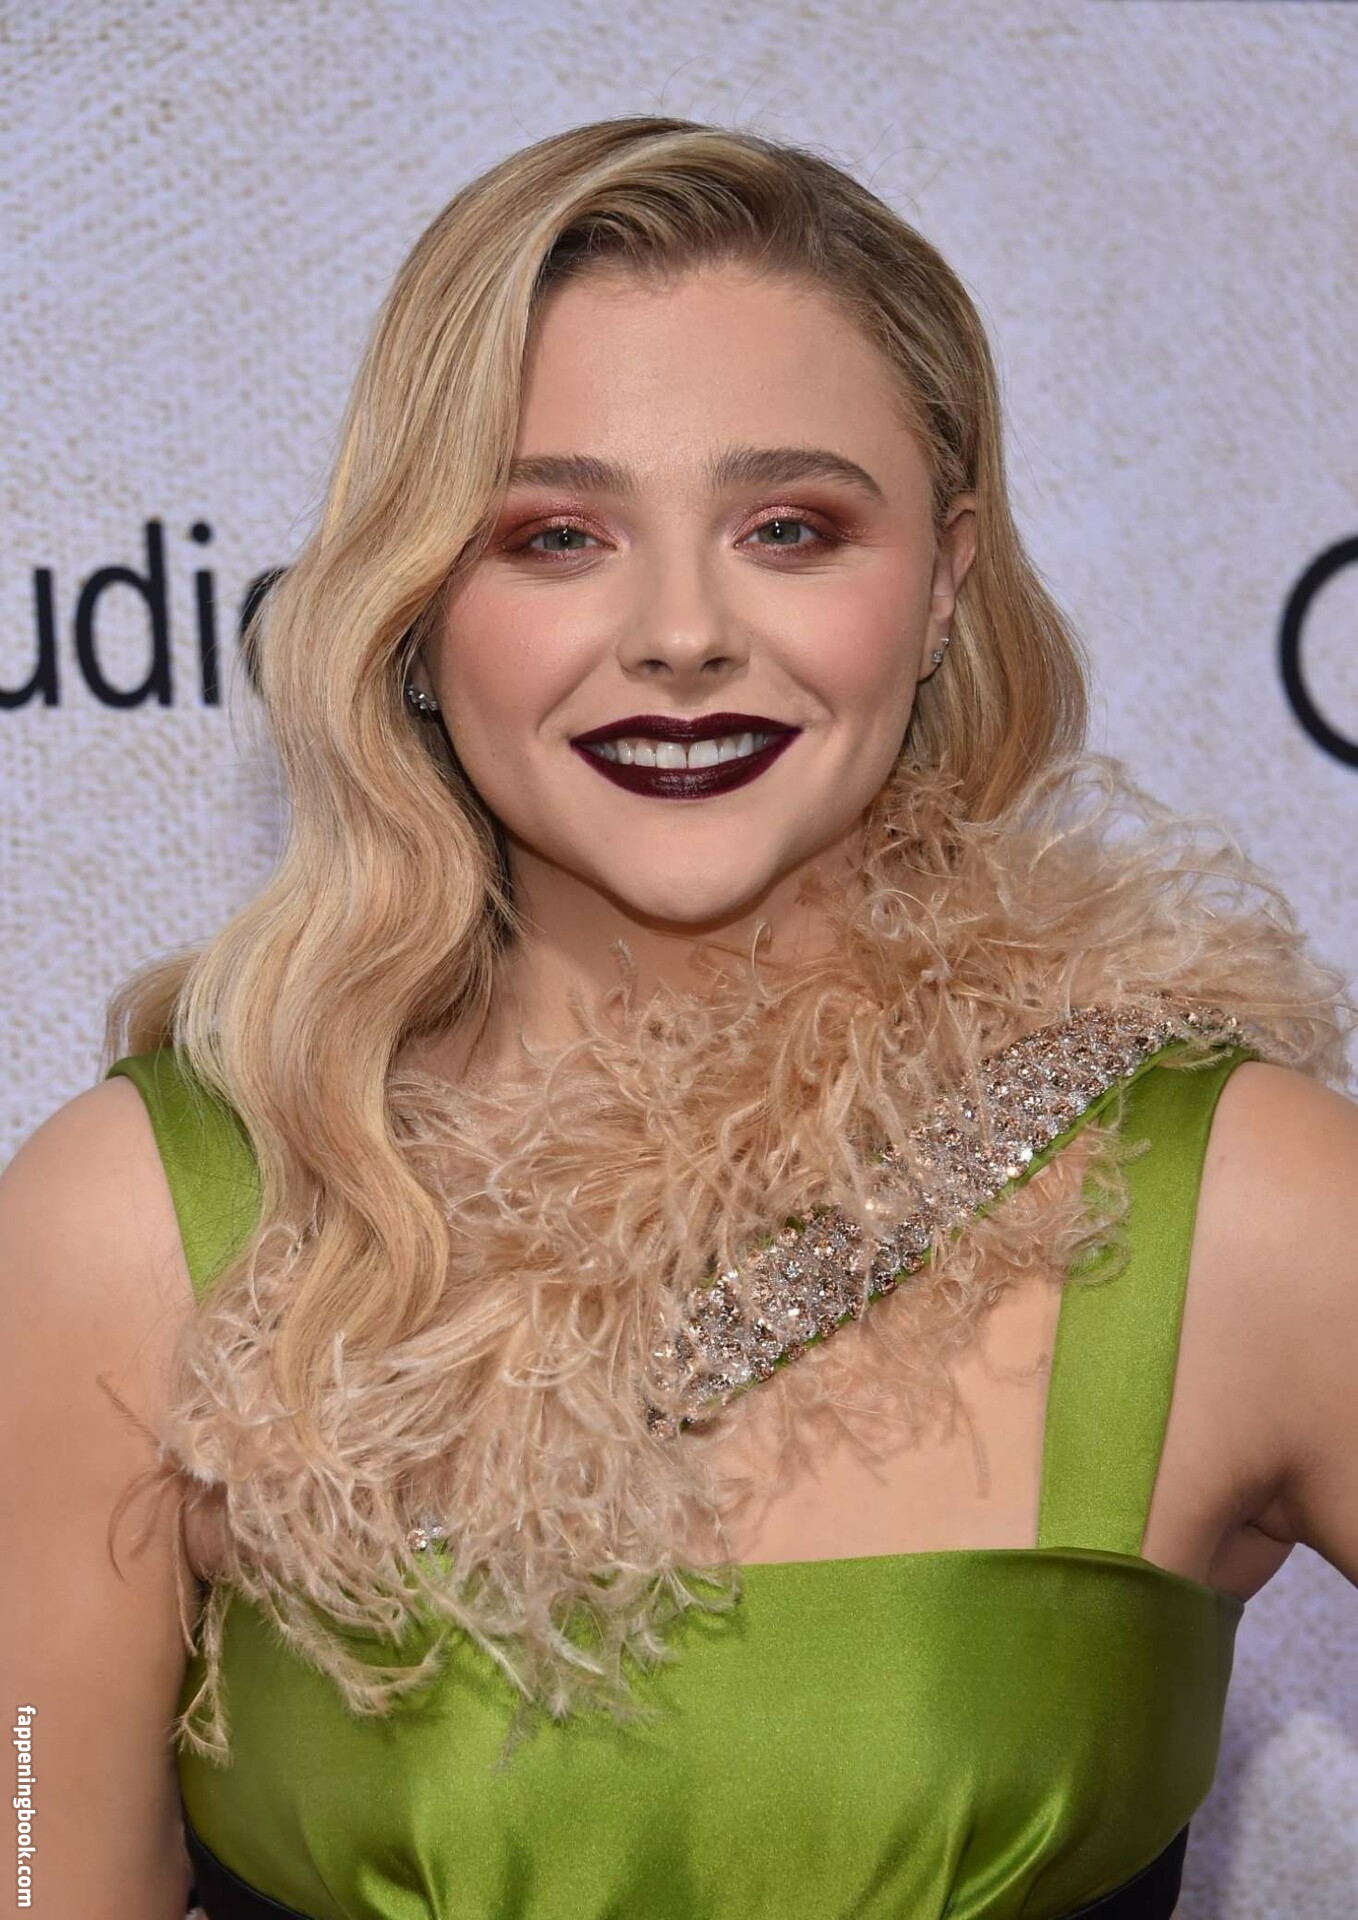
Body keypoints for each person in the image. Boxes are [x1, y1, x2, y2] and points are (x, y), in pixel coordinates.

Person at [2, 115, 1355, 1920]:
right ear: (415, 607)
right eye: (555, 535)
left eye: (789, 527)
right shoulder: (148, 1227)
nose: (682, 633)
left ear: (942, 583)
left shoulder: (1242, 1203)